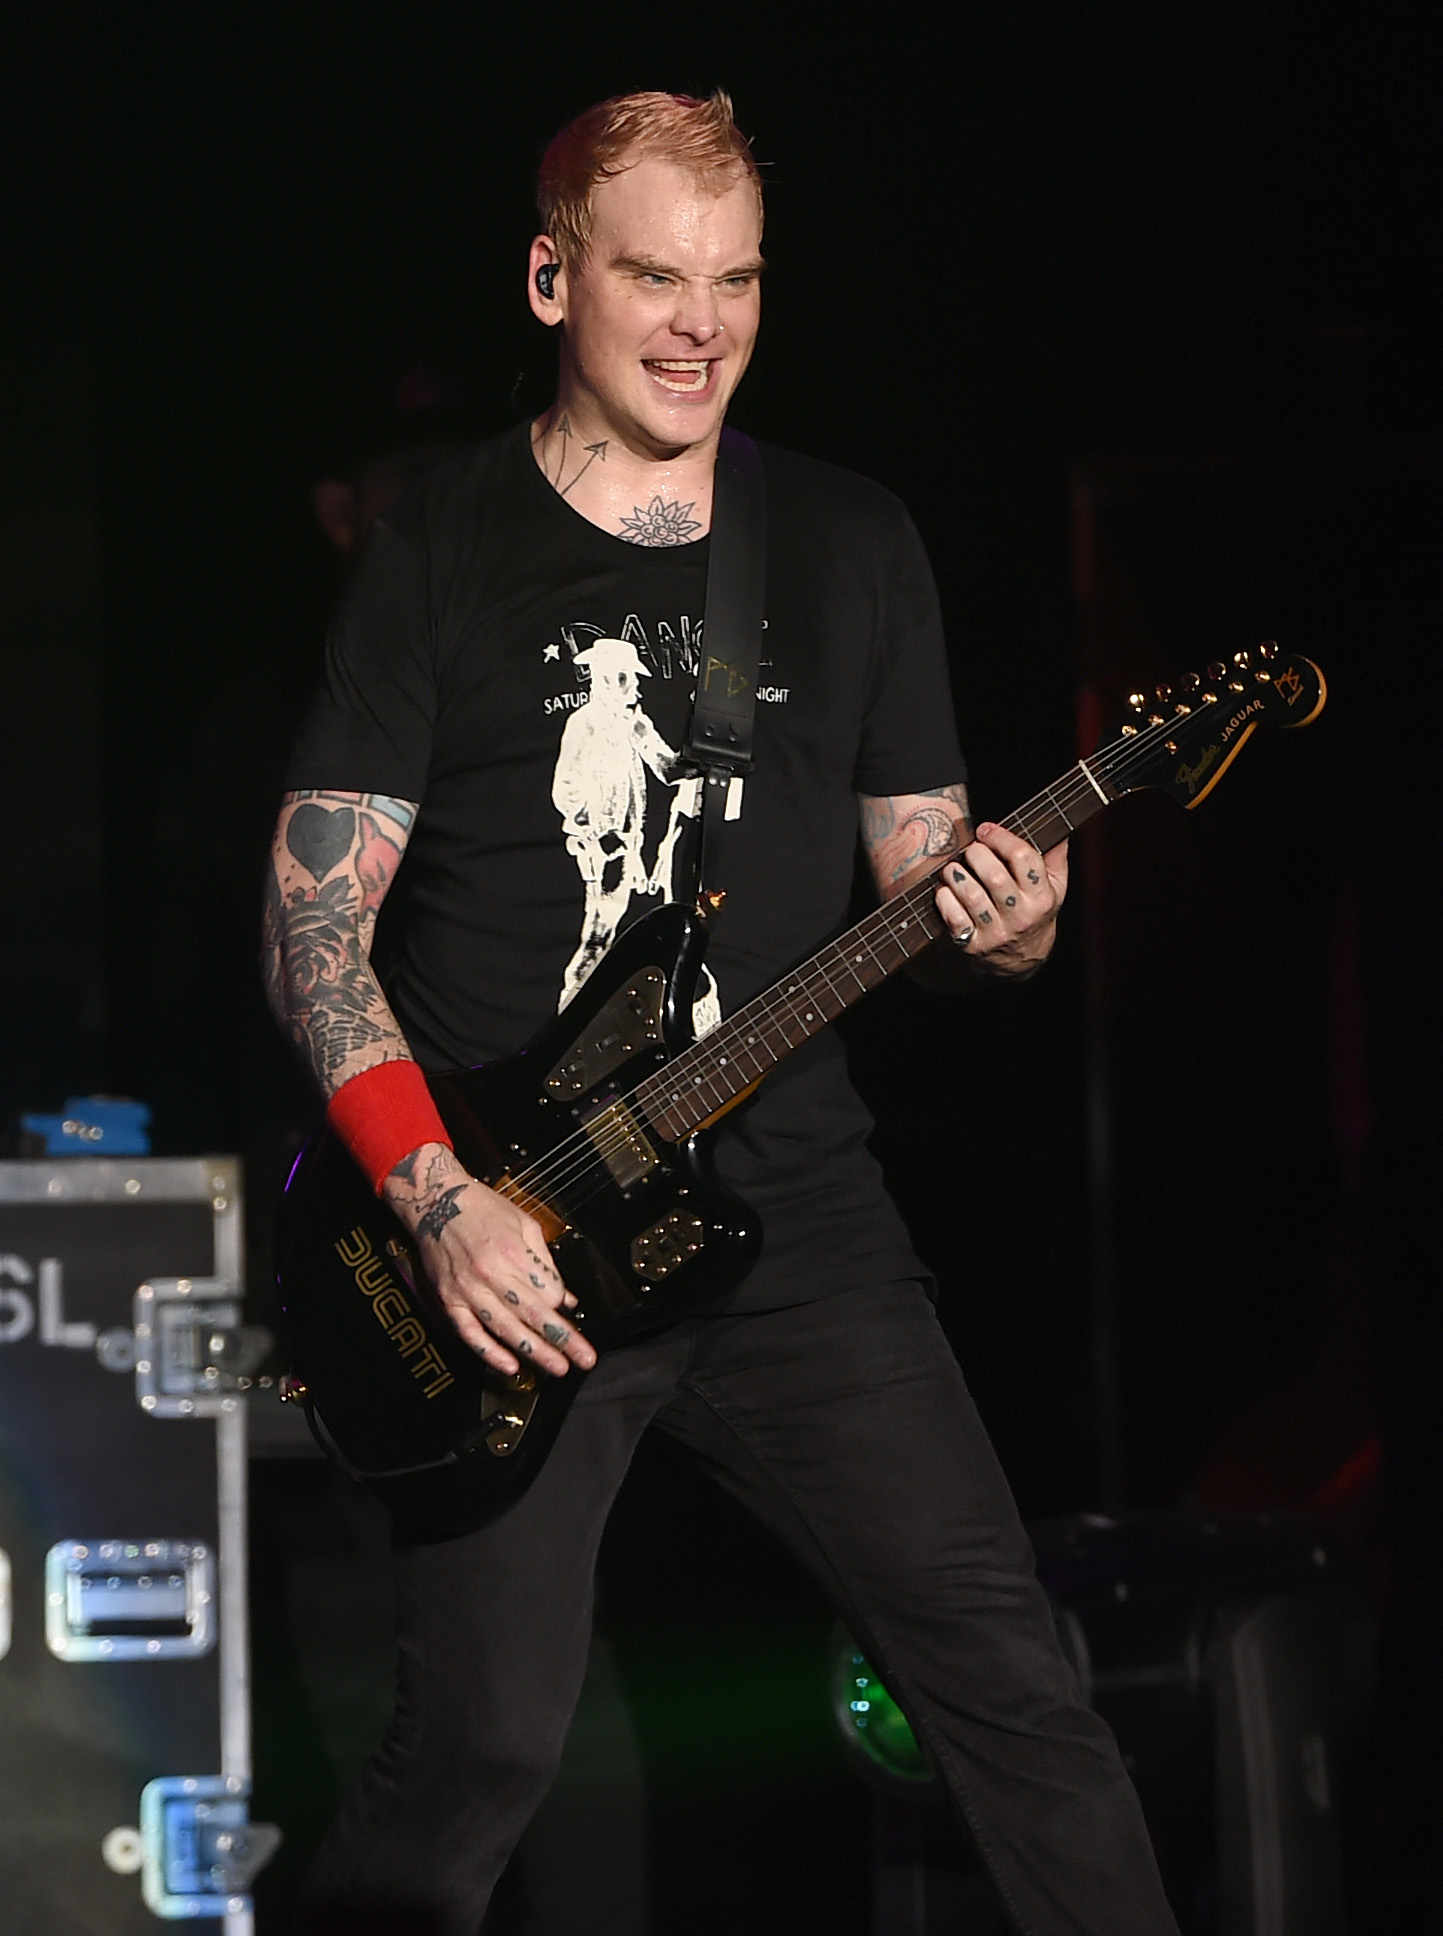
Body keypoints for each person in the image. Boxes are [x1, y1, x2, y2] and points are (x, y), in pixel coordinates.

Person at [264, 89, 1180, 1936]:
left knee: (1013, 1688)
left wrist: (1010, 916)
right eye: (655, 277)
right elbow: (308, 925)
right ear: (552, 279)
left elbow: (933, 871)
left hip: (798, 1224)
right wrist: (438, 1201)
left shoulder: (845, 540)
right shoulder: (439, 549)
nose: (701, 323)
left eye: (738, 280)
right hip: (505, 1235)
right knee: (484, 1759)